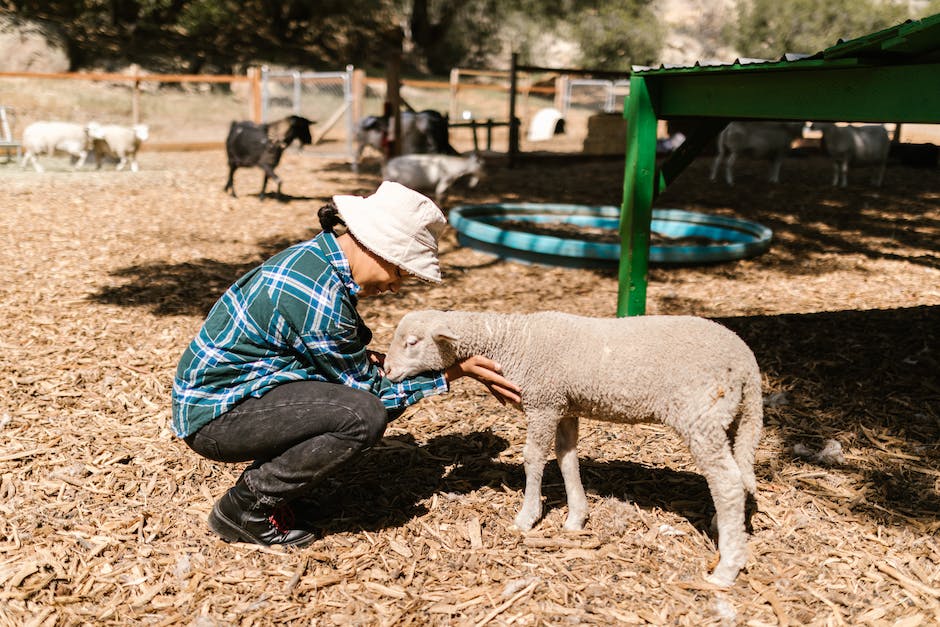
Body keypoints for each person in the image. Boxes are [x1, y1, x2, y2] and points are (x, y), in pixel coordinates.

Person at [172, 181, 521, 547]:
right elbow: (373, 395)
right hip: (216, 416)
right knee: (361, 416)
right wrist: (452, 372)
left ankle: (283, 492)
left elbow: (333, 358)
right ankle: (245, 508)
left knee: (351, 404)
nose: (396, 286)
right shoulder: (320, 297)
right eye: (400, 271)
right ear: (377, 248)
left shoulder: (317, 260)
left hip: (226, 396)